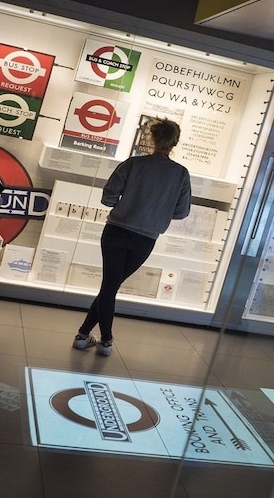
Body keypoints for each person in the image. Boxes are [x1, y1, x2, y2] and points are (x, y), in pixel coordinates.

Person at [73, 118, 191, 356]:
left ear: (152, 138)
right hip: (145, 239)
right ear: (175, 142)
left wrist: (126, 204)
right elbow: (181, 212)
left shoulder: (133, 164)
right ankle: (102, 339)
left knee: (109, 287)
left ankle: (86, 336)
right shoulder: (180, 174)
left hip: (116, 230)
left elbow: (107, 198)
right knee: (111, 287)